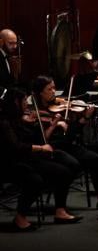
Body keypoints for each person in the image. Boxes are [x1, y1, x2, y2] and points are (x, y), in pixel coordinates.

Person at [29, 75, 98, 210]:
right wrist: (54, 124)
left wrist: (83, 119)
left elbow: (70, 135)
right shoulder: (35, 113)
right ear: (40, 93)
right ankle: (60, 204)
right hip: (52, 148)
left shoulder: (60, 106)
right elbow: (42, 139)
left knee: (96, 159)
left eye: (54, 88)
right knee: (70, 167)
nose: (53, 91)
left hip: (66, 145)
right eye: (49, 89)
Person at [0, 88, 81, 229]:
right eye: (24, 100)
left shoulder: (18, 119)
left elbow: (33, 138)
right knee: (35, 180)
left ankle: (60, 211)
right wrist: (41, 148)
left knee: (63, 171)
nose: (27, 103)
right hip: (9, 163)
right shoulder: (4, 122)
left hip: (26, 159)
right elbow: (16, 147)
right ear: (15, 102)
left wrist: (34, 125)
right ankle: (20, 218)